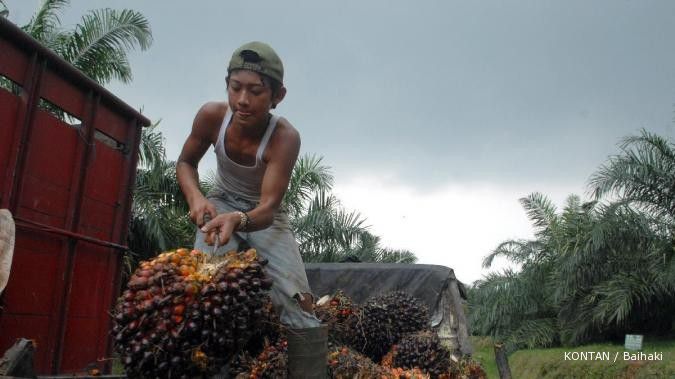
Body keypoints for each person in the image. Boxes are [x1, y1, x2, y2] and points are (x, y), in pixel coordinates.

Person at [176, 41, 327, 378]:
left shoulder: (284, 138)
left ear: (278, 95)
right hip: (220, 205)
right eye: (235, 88)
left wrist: (239, 220)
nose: (243, 100)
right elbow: (186, 163)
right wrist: (197, 199)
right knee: (206, 293)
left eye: (256, 91)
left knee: (299, 306)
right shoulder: (211, 117)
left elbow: (269, 208)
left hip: (263, 218)